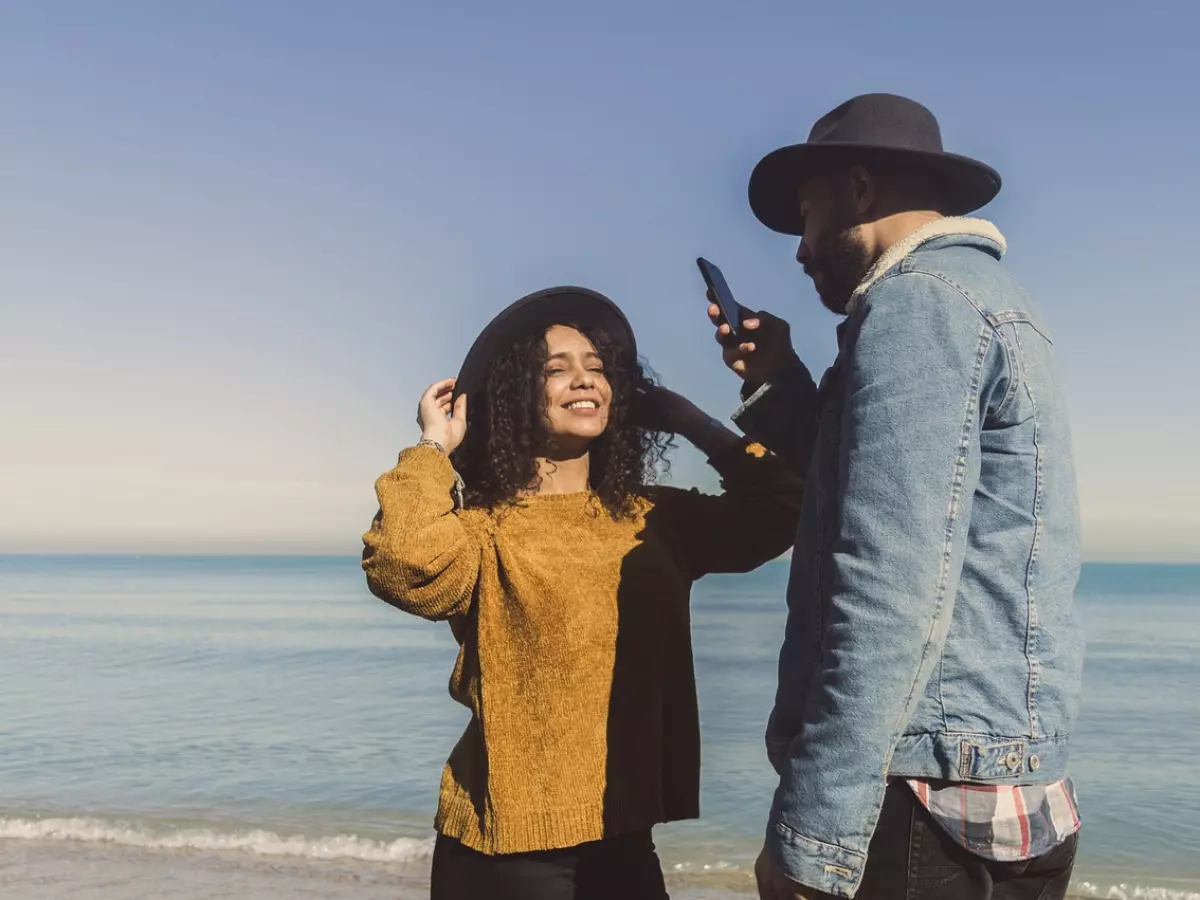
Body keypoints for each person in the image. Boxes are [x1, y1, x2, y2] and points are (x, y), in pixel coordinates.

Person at [706, 94, 1084, 899]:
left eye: (806, 216)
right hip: (1000, 785)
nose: (802, 251)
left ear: (861, 189)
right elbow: (888, 494)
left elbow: (889, 586)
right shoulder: (990, 299)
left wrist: (814, 837)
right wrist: (779, 382)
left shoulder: (917, 307)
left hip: (920, 802)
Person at [362, 286, 803, 900]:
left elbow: (785, 507)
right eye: (557, 368)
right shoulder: (482, 530)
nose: (585, 380)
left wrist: (688, 420)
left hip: (624, 837)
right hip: (504, 849)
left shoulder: (653, 519)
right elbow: (402, 565)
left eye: (598, 368)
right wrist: (434, 447)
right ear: (519, 394)